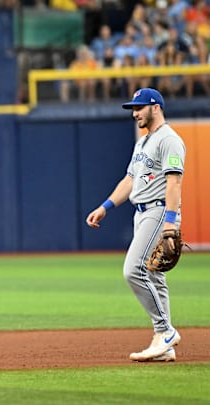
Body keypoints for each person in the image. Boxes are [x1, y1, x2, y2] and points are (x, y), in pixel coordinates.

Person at [85, 88, 184, 362]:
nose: (135, 113)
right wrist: (105, 207)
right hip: (140, 212)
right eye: (133, 108)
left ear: (155, 107)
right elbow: (129, 181)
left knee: (133, 270)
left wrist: (170, 225)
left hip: (158, 211)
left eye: (139, 107)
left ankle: (165, 330)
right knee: (155, 276)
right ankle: (164, 346)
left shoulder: (169, 140)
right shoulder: (142, 143)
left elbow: (174, 183)